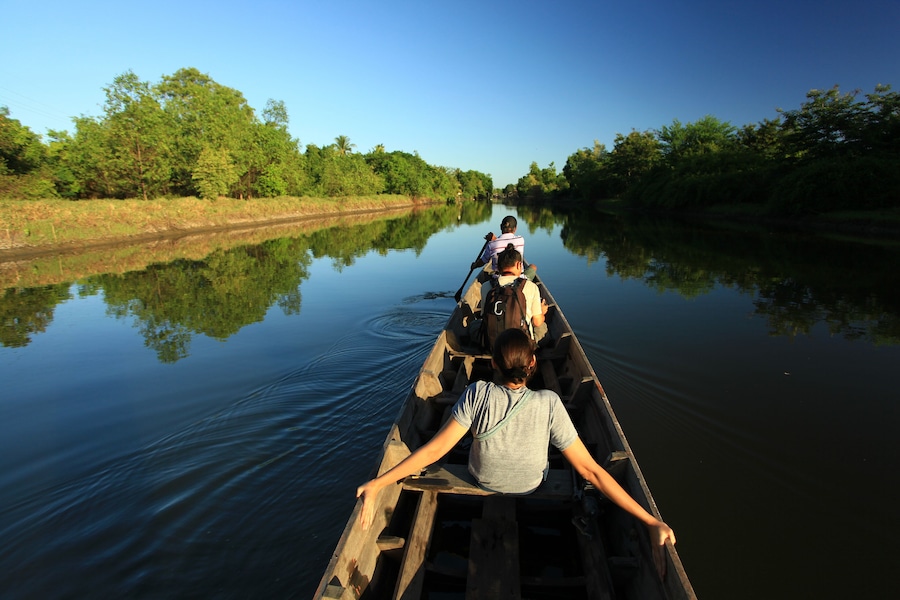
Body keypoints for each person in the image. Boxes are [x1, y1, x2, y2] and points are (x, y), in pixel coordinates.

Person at [355, 328, 676, 564]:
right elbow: (591, 470)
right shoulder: (549, 402)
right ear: (533, 364)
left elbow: (435, 451)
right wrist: (651, 521)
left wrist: (378, 483)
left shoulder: (476, 393)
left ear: (494, 363)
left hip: (484, 479)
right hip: (530, 485)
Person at [480, 244, 548, 344]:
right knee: (542, 327)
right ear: (518, 265)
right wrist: (542, 312)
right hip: (521, 346)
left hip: (492, 345)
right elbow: (537, 322)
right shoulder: (531, 287)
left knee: (474, 325)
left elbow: (483, 315)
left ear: (498, 267)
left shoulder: (486, 286)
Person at [471, 215, 537, 280]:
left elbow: (483, 261)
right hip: (519, 278)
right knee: (533, 267)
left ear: (500, 227)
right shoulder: (521, 240)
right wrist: (495, 239)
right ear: (515, 228)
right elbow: (506, 243)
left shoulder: (492, 244)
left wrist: (475, 265)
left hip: (498, 279)